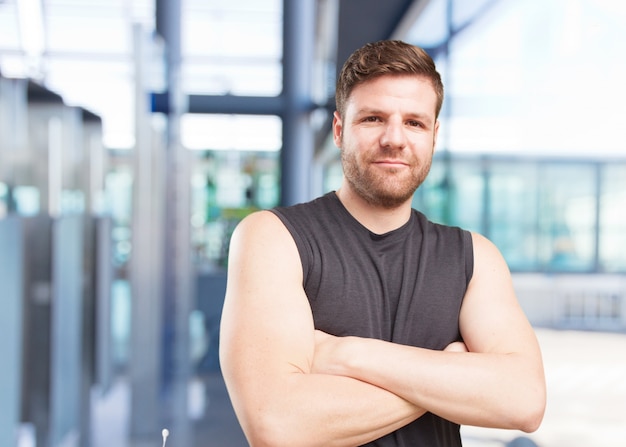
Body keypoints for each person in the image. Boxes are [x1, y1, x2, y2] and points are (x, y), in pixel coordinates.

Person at [219, 39, 546, 446]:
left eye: (414, 122)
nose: (395, 138)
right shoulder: (274, 238)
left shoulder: (474, 257)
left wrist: (346, 355)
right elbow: (277, 426)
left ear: (433, 135)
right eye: (373, 118)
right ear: (339, 130)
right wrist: (449, 376)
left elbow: (524, 400)